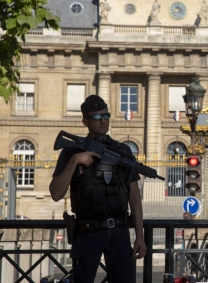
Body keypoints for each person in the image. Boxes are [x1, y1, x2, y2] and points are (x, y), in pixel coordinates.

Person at [49, 95, 146, 283]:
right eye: (96, 117)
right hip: (87, 232)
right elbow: (56, 193)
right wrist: (75, 160)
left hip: (119, 231)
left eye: (106, 116)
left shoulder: (122, 151)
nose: (103, 121)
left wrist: (140, 237)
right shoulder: (71, 150)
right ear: (85, 121)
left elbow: (134, 196)